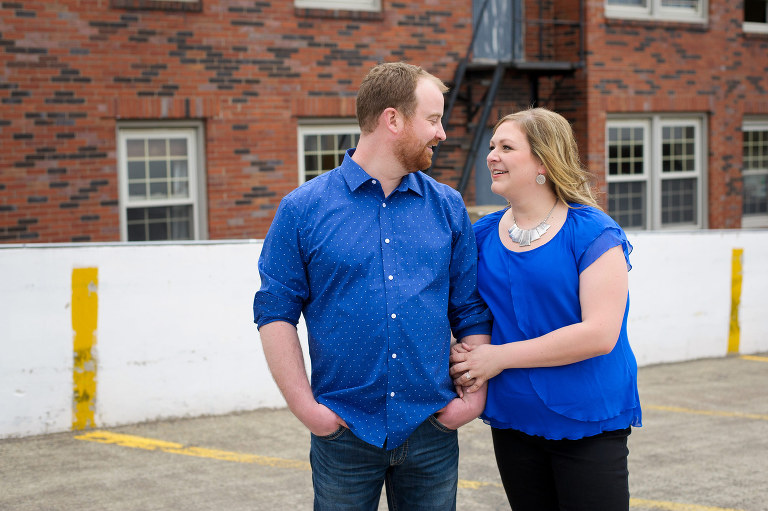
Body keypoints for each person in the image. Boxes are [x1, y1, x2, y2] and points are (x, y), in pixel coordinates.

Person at [253, 62, 492, 511]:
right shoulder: (302, 209)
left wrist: (472, 401)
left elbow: (469, 308)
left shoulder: (448, 207)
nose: (441, 134)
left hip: (432, 428)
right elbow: (274, 311)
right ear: (393, 119)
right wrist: (307, 410)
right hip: (343, 432)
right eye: (434, 119)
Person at [450, 107, 642, 511]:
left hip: (587, 418)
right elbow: (464, 307)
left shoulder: (592, 231)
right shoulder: (481, 234)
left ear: (542, 161)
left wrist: (496, 357)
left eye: (506, 147)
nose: (492, 156)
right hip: (513, 416)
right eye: (491, 146)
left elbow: (600, 333)